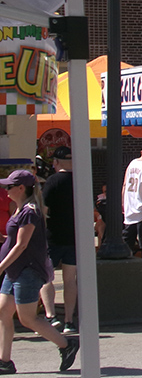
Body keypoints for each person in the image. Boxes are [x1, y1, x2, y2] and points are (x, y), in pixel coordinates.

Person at [0, 170, 79, 374]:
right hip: (14, 270)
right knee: (3, 312)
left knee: (27, 318)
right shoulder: (21, 210)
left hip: (27, 271)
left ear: (21, 188)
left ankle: (66, 344)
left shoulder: (30, 211)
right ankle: (4, 360)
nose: (6, 189)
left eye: (9, 186)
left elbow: (21, 245)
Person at [40, 146, 78, 335]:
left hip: (53, 236)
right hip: (74, 237)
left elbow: (43, 210)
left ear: (56, 162)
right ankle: (69, 320)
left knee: (46, 277)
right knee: (70, 280)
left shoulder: (52, 182)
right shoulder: (80, 180)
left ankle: (50, 316)